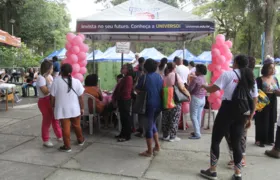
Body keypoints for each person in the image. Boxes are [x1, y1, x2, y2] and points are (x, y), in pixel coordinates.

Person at [200, 55, 255, 180]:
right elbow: (254, 98)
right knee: (237, 143)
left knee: (216, 140)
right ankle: (238, 173)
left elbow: (213, 89)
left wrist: (204, 86)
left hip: (227, 110)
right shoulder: (251, 77)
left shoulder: (228, 75)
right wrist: (250, 117)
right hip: (242, 112)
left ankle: (213, 170)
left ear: (235, 62)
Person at [225, 56, 258, 167]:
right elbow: (255, 99)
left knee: (239, 136)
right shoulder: (237, 76)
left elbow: (255, 98)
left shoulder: (249, 79)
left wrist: (251, 116)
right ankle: (237, 158)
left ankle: (240, 159)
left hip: (240, 111)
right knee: (235, 135)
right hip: (243, 111)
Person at [50, 63, 85, 152]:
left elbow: (52, 97)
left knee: (65, 128)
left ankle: (67, 146)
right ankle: (80, 140)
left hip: (62, 109)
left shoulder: (56, 81)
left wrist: (53, 106)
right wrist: (82, 108)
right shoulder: (77, 81)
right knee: (77, 125)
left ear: (61, 71)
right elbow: (81, 97)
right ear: (71, 72)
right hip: (75, 108)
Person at [136, 59, 163, 157]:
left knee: (148, 127)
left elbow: (138, 89)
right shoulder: (159, 76)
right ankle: (157, 146)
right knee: (152, 124)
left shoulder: (144, 77)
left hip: (149, 104)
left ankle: (149, 151)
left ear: (145, 67)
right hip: (159, 104)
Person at [162, 62, 190, 142]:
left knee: (166, 117)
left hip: (166, 97)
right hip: (175, 99)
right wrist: (188, 94)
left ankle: (165, 135)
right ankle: (172, 136)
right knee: (174, 117)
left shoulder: (165, 76)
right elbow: (182, 88)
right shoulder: (175, 75)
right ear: (175, 68)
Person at [36, 60, 62, 147]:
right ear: (48, 69)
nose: (52, 70)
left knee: (55, 119)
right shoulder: (41, 78)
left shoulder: (49, 76)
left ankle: (59, 136)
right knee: (47, 120)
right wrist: (51, 85)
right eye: (51, 68)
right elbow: (45, 92)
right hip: (44, 100)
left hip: (50, 99)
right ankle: (45, 139)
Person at [255, 58, 278, 147]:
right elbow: (256, 92)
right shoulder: (259, 79)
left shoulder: (275, 79)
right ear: (265, 69)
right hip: (262, 101)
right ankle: (259, 140)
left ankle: (270, 139)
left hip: (273, 101)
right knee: (262, 120)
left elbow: (277, 90)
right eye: (270, 68)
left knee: (271, 119)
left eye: (273, 68)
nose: (272, 70)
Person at [112, 63, 134, 142]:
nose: (122, 69)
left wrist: (119, 97)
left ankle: (126, 135)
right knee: (122, 118)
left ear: (128, 70)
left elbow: (126, 91)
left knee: (126, 118)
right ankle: (122, 133)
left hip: (125, 100)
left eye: (123, 68)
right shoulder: (124, 78)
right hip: (122, 100)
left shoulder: (128, 78)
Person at [188, 64, 207, 139]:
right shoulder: (204, 78)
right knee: (198, 116)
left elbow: (190, 89)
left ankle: (197, 134)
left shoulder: (196, 79)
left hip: (196, 98)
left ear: (199, 71)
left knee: (193, 116)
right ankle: (197, 131)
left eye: (196, 70)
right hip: (203, 99)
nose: (195, 71)